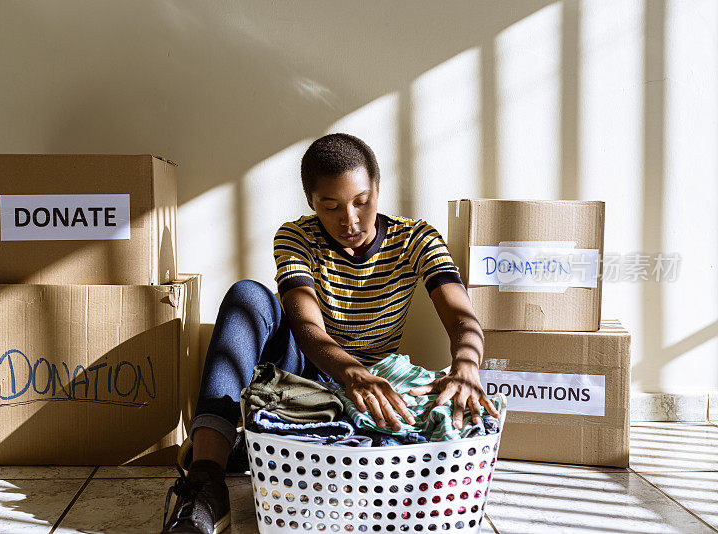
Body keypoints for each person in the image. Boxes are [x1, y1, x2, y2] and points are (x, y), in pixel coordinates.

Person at [160, 133, 499, 534]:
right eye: (331, 206)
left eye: (362, 202)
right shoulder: (296, 236)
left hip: (376, 375)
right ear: (311, 203)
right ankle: (204, 482)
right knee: (247, 296)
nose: (350, 220)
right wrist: (351, 372)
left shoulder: (415, 238)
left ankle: (249, 449)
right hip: (307, 369)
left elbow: (461, 316)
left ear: (377, 190)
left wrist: (465, 366)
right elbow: (306, 327)